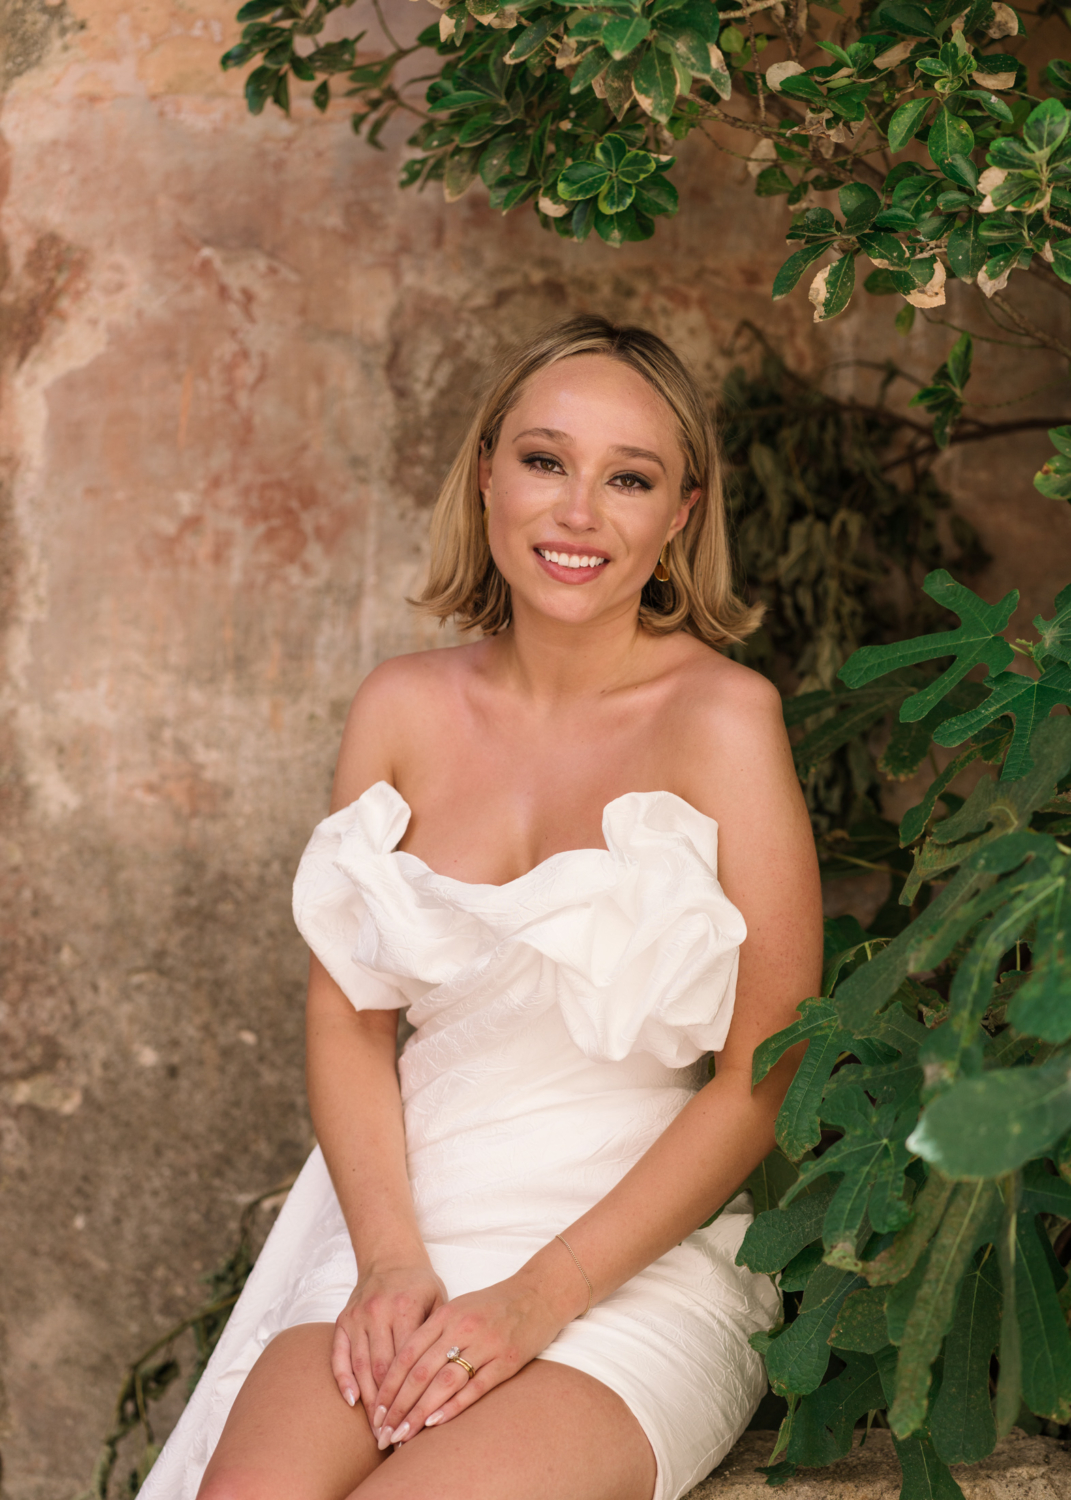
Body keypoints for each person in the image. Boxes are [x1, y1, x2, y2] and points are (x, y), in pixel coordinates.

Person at [140, 314, 822, 1500]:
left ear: (681, 514)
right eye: (547, 460)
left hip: (627, 1256)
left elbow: (764, 1071)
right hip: (407, 1228)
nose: (578, 512)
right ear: (490, 473)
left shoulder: (726, 719)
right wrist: (389, 1260)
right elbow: (350, 1016)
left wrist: (542, 1296)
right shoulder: (398, 708)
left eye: (630, 478)